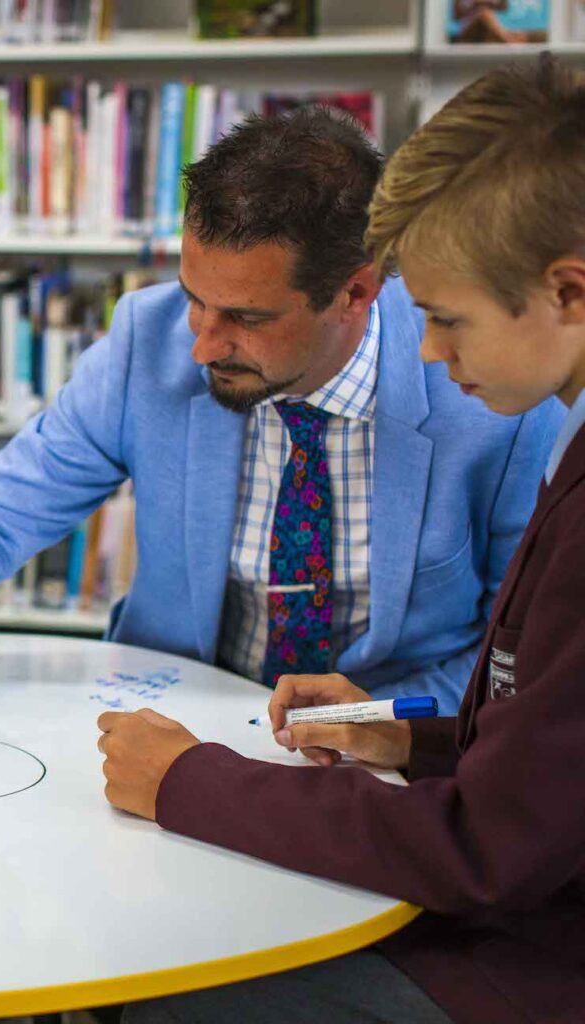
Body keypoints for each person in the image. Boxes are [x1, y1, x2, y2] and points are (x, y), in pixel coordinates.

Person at [0, 105, 560, 721]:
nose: (201, 345)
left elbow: (510, 653)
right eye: (195, 298)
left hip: (383, 749)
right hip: (173, 725)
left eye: (246, 318)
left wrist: (375, 723)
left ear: (355, 292)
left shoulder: (488, 392)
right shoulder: (146, 342)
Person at [102, 57, 585, 1023]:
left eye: (446, 319)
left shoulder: (533, 441)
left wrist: (194, 783)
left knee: (172, 992)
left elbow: (486, 848)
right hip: (518, 889)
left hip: (536, 953)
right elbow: (549, 754)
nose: (429, 351)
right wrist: (411, 736)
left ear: (568, 293)